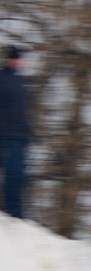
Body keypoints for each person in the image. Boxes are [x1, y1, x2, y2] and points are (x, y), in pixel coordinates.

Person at [0, 47, 30, 220]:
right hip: (7, 135)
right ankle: (13, 214)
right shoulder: (3, 79)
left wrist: (28, 133)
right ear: (11, 60)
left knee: (18, 176)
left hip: (19, 136)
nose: (21, 63)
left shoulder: (19, 81)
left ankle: (15, 213)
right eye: (19, 59)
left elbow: (22, 111)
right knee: (13, 175)